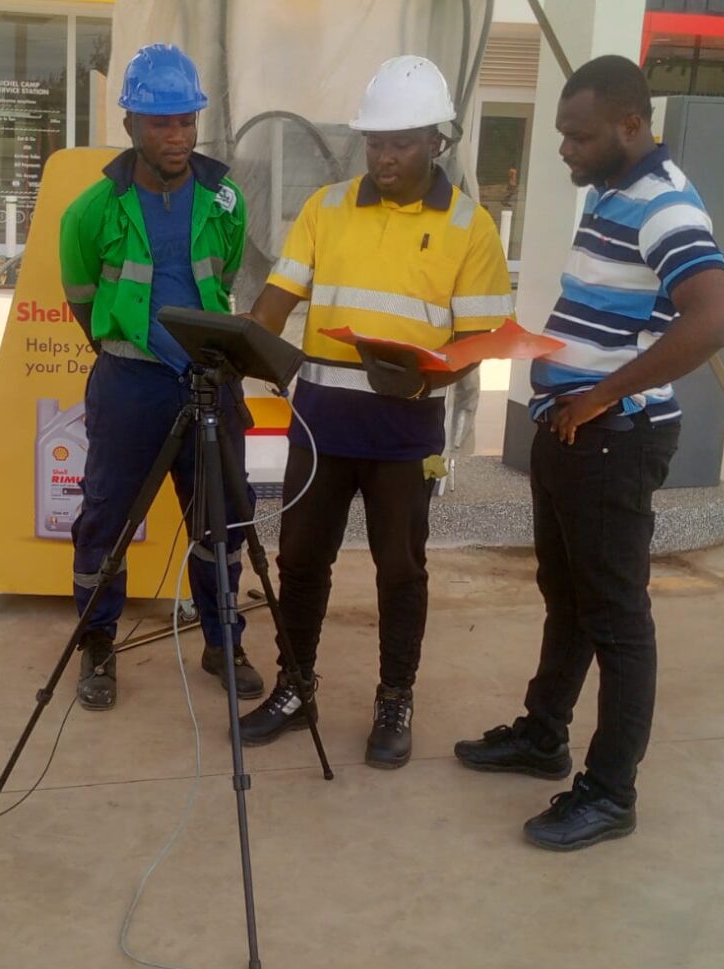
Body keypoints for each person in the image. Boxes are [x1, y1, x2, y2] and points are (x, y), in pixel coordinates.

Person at [454, 54, 724, 850]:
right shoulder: (612, 189)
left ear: (630, 124)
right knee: (568, 595)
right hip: (571, 433)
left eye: (578, 137)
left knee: (615, 615)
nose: (565, 150)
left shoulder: (665, 203)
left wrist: (605, 392)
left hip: (614, 440)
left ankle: (611, 792)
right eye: (562, 135)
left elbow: (712, 317)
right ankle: (544, 733)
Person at [237, 56, 515, 768]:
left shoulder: (470, 225)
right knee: (302, 559)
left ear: (437, 143)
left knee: (400, 570)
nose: (385, 156)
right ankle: (296, 687)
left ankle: (395, 697)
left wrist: (427, 374)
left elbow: (478, 340)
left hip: (405, 429)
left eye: (402, 143)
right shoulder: (326, 209)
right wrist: (239, 345)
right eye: (376, 142)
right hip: (321, 423)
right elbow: (275, 304)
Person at [60, 43, 262, 711]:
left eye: (186, 121)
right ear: (130, 126)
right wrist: (129, 351)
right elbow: (82, 300)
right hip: (130, 385)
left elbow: (225, 278)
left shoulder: (226, 201)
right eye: (160, 123)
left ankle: (221, 639)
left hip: (210, 380)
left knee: (222, 518)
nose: (177, 136)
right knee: (106, 520)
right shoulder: (90, 211)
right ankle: (97, 641)